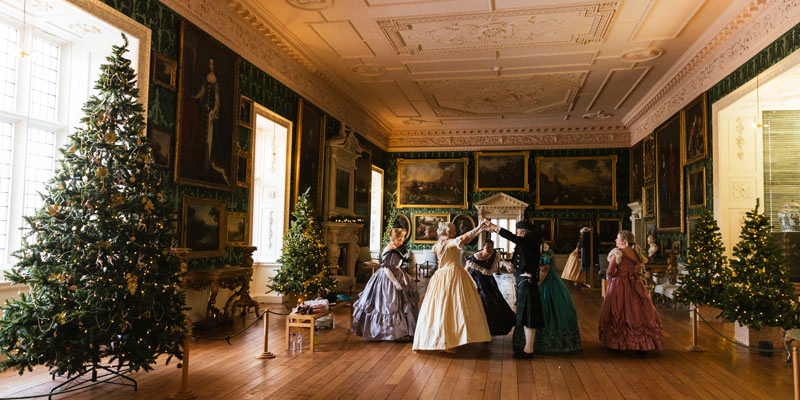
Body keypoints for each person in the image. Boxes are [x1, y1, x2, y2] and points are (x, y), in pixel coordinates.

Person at [413, 221, 491, 352]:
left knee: (440, 307)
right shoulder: (449, 242)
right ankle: (447, 341)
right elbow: (465, 237)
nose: (455, 232)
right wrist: (479, 227)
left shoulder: (439, 244)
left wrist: (480, 229)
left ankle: (443, 338)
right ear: (449, 232)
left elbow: (465, 238)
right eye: (453, 230)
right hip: (452, 274)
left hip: (440, 275)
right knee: (452, 307)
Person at [485, 219, 544, 359]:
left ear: (523, 233)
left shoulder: (531, 240)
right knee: (525, 315)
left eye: (518, 233)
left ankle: (529, 350)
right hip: (523, 281)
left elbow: (511, 237)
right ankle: (526, 347)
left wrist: (495, 227)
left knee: (529, 317)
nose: (517, 235)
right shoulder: (527, 241)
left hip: (527, 282)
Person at [598, 230, 664, 352]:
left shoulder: (618, 253)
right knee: (637, 310)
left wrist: (610, 276)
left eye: (617, 238)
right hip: (636, 285)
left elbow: (610, 272)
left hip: (620, 285)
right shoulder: (636, 252)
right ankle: (642, 343)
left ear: (623, 241)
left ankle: (621, 342)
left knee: (620, 310)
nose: (615, 240)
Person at [351, 228, 419, 340]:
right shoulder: (390, 250)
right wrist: (396, 282)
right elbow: (387, 269)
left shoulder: (393, 248)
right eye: (401, 238)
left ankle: (399, 332)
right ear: (395, 238)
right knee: (389, 305)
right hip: (389, 280)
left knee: (400, 305)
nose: (403, 240)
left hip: (394, 276)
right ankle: (387, 333)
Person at [534, 242, 582, 354]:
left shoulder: (544, 253)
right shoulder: (542, 251)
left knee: (550, 308)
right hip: (547, 279)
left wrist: (537, 284)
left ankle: (546, 341)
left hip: (547, 282)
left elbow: (545, 269)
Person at [464, 239, 515, 336]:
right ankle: (481, 327)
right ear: (483, 247)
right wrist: (472, 282)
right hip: (477, 280)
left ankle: (493, 325)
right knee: (484, 300)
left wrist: (506, 264)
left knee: (496, 299)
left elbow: (500, 259)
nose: (490, 249)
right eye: (487, 247)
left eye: (491, 247)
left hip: (488, 279)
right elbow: (466, 269)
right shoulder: (475, 257)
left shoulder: (493, 253)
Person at [193, 58, 228, 184]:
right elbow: (202, 91)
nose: (211, 65)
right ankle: (202, 163)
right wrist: (196, 97)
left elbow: (217, 98)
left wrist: (214, 110)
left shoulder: (216, 80)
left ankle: (209, 161)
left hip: (211, 112)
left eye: (213, 63)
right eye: (210, 63)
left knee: (210, 138)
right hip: (204, 110)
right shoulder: (206, 77)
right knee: (202, 136)